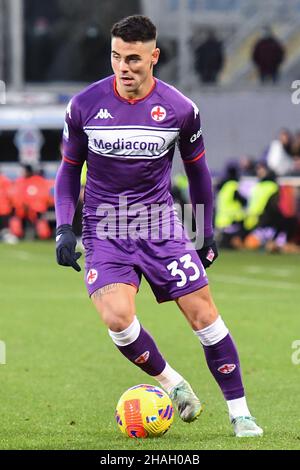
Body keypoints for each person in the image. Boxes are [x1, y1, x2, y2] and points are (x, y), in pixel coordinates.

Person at [55, 15, 263, 438]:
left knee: (204, 315)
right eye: (116, 57)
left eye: (133, 58)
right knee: (117, 318)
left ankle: (241, 413)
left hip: (161, 225)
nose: (123, 67)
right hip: (105, 228)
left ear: (154, 56)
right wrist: (64, 227)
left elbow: (200, 174)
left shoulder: (180, 109)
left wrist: (206, 229)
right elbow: (67, 171)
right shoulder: (84, 105)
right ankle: (174, 383)